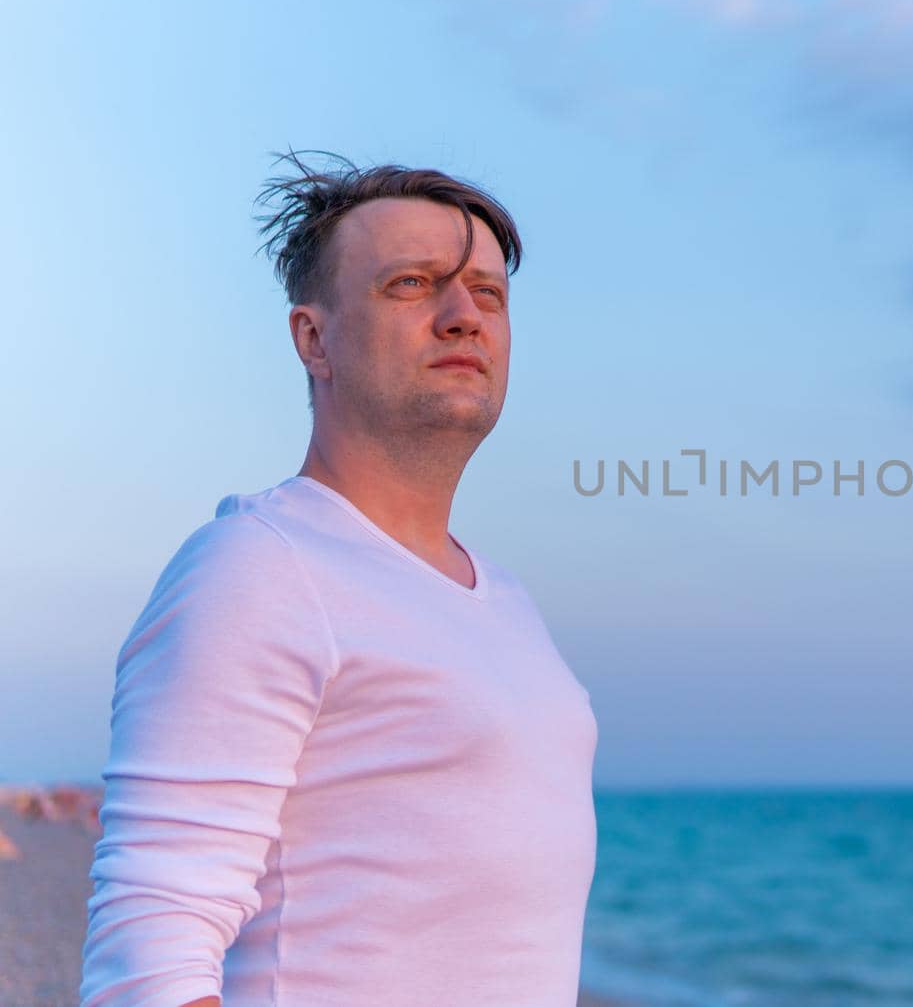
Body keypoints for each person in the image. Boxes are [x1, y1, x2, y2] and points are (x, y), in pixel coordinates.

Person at [80, 151, 599, 1006]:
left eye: (488, 292)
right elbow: (147, 960)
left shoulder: (506, 602)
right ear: (313, 338)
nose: (464, 314)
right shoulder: (259, 568)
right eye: (412, 283)